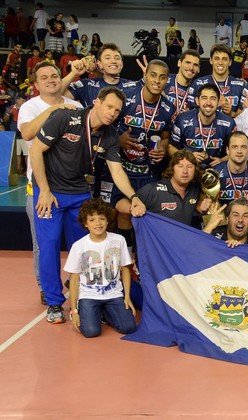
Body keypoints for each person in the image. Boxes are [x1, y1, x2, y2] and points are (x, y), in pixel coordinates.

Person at [29, 86, 146, 324]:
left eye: (117, 110)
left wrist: (133, 196)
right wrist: (44, 191)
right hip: (49, 191)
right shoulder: (64, 117)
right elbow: (35, 150)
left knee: (87, 248)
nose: (112, 113)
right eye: (109, 106)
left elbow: (116, 170)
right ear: (97, 102)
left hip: (79, 191)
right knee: (49, 245)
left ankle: (86, 296)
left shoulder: (111, 134)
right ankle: (53, 302)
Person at [18, 61, 82, 305]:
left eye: (54, 76)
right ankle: (46, 288)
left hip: (72, 186)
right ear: (36, 84)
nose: (51, 80)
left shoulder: (76, 106)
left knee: (79, 242)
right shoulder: (30, 106)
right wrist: (53, 111)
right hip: (40, 187)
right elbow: (27, 133)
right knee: (44, 246)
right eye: (44, 77)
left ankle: (75, 282)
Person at [109, 60, 175, 251]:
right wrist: (118, 140)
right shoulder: (126, 97)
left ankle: (140, 260)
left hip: (148, 173)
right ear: (145, 76)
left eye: (162, 77)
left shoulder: (168, 108)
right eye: (153, 75)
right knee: (121, 214)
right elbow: (106, 128)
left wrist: (162, 148)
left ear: (166, 82)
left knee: (145, 218)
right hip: (123, 170)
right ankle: (125, 260)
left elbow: (165, 137)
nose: (157, 81)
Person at [65, 198, 136, 338]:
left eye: (101, 219)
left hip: (114, 294)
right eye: (92, 220)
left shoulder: (118, 240)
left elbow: (126, 269)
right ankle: (94, 311)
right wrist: (74, 310)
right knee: (91, 332)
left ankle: (104, 312)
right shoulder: (79, 246)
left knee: (129, 327)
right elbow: (74, 279)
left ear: (107, 220)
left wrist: (127, 297)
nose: (98, 223)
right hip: (89, 296)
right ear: (85, 223)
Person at [209, 131, 248, 240]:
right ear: (227, 150)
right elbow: (202, 202)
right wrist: (205, 206)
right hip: (221, 226)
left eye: (243, 147)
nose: (239, 151)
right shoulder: (214, 174)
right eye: (235, 147)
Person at [169, 83, 236, 167]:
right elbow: (170, 147)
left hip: (215, 172)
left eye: (213, 98)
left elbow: (236, 151)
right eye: (204, 98)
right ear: (197, 101)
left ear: (218, 102)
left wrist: (222, 160)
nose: (208, 103)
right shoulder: (182, 119)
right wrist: (187, 157)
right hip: (188, 167)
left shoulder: (229, 123)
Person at [137, 150, 211, 225]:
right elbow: (127, 202)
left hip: (183, 235)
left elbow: (198, 205)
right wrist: (134, 208)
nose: (185, 171)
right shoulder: (153, 189)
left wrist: (199, 208)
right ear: (172, 168)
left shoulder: (195, 189)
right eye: (180, 166)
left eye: (189, 166)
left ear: (195, 170)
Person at [65, 43, 137, 106]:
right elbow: (56, 96)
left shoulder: (133, 87)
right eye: (108, 58)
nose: (113, 61)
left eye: (117, 58)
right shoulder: (87, 85)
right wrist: (73, 74)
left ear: (122, 63)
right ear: (99, 64)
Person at [189, 43, 246, 118]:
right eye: (216, 58)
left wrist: (231, 113)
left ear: (230, 62)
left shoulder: (241, 86)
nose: (220, 62)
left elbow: (244, 117)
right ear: (211, 60)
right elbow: (191, 114)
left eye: (224, 59)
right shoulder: (197, 84)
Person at [164, 49, 201, 116]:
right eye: (188, 62)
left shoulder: (199, 91)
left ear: (198, 69)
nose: (191, 67)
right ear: (179, 63)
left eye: (195, 65)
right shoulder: (164, 79)